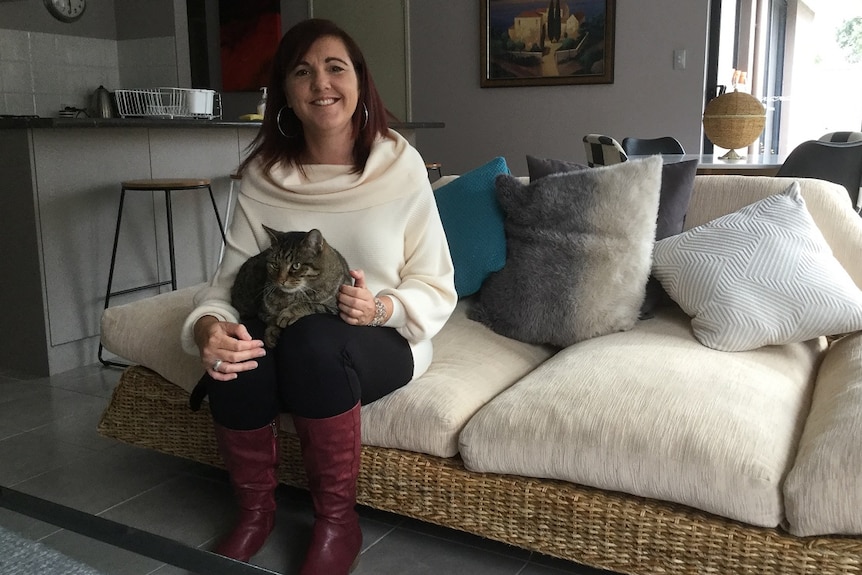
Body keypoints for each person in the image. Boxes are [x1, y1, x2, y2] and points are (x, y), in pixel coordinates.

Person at [179, 18, 457, 575]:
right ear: (285, 91)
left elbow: (435, 283)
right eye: (302, 72)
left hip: (383, 337)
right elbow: (229, 285)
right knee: (241, 351)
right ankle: (256, 514)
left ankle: (337, 522)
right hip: (289, 329)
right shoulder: (263, 174)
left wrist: (381, 307)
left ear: (360, 83)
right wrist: (210, 328)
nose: (321, 83)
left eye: (336, 68)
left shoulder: (399, 164)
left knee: (310, 340)